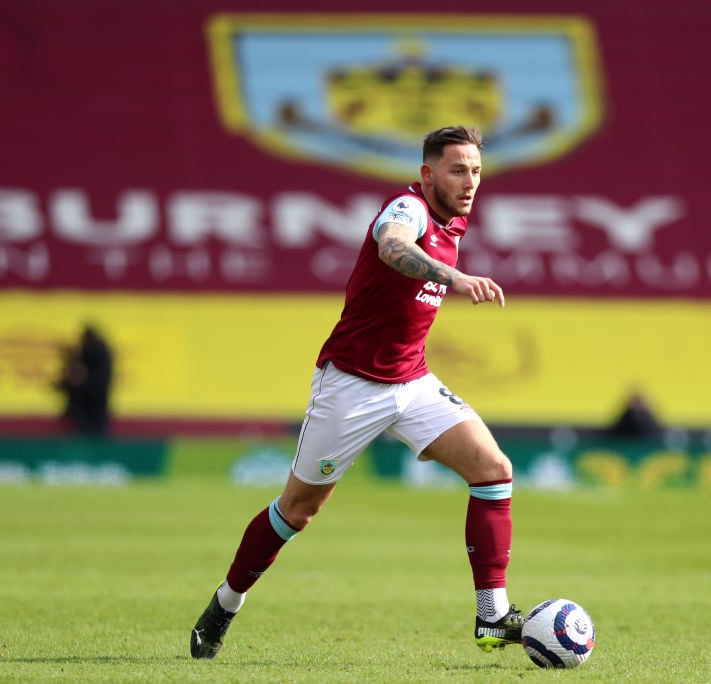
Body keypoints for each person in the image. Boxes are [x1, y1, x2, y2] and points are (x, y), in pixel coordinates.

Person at [190, 125, 523, 659]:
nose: (469, 181)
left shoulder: (455, 219)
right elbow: (392, 248)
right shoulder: (407, 208)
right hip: (351, 385)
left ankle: (493, 616)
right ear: (427, 173)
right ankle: (225, 604)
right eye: (457, 169)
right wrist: (454, 279)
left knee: (494, 470)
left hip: (412, 381)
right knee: (297, 512)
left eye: (476, 170)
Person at [52, 324, 113, 436]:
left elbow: (97, 383)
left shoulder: (98, 357)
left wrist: (79, 382)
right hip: (81, 411)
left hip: (94, 410)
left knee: (94, 436)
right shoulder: (83, 355)